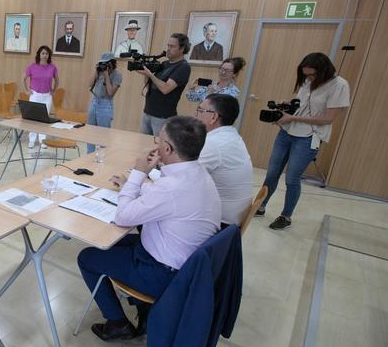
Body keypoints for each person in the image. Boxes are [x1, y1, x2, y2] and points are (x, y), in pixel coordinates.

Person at [78, 116, 220, 340]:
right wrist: (132, 185)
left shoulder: (172, 188)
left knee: (87, 257)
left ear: (166, 147)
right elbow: (164, 197)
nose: (155, 145)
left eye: (158, 140)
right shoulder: (198, 174)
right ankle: (143, 309)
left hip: (163, 273)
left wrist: (138, 173)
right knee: (110, 243)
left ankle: (118, 322)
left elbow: (123, 216)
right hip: (184, 264)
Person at [257, 53, 350, 230]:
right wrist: (288, 108)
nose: (308, 78)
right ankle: (259, 206)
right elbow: (303, 106)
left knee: (292, 177)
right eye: (305, 75)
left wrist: (293, 117)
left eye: (312, 75)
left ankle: (286, 216)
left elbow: (328, 119)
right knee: (272, 172)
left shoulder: (339, 85)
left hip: (309, 137)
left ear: (324, 71)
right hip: (288, 132)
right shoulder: (307, 82)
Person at [194, 94, 254, 225]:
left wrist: (152, 171)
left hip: (220, 223)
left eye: (200, 110)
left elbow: (184, 180)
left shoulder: (214, 144)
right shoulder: (231, 136)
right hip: (233, 217)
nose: (196, 115)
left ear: (214, 117)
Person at [138, 33, 192, 136]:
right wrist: (146, 74)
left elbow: (165, 89)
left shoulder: (183, 67)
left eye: (172, 46)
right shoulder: (164, 64)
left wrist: (151, 75)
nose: (168, 49)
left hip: (162, 117)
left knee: (158, 147)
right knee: (142, 145)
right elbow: (150, 85)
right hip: (148, 112)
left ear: (182, 49)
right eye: (168, 45)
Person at [22, 45, 59, 149]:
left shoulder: (52, 67)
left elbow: (57, 80)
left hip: (47, 95)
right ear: (39, 54)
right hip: (35, 95)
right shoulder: (32, 66)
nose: (45, 55)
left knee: (44, 118)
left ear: (49, 55)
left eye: (47, 53)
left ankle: (43, 140)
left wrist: (54, 90)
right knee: (33, 118)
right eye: (43, 53)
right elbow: (23, 78)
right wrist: (26, 90)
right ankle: (32, 140)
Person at [86, 52, 123, 153]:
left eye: (106, 63)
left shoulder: (117, 75)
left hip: (105, 104)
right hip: (94, 102)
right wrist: (96, 71)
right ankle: (89, 156)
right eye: (102, 63)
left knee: (103, 135)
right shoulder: (99, 72)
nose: (104, 65)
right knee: (90, 132)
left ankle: (101, 157)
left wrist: (106, 76)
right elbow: (89, 84)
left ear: (112, 63)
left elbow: (110, 93)